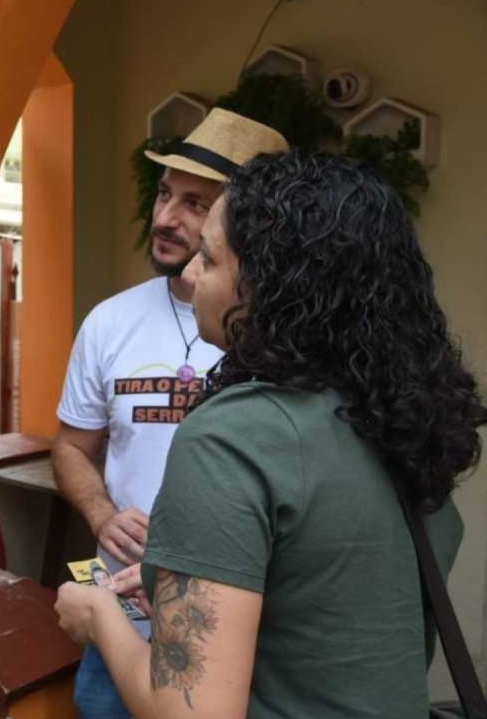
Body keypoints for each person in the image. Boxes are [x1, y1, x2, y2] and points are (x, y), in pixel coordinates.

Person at [55, 149, 485, 718]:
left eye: (208, 258)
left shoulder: (232, 437)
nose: (188, 273)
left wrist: (99, 618)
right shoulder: (397, 415)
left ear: (271, 285)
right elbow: (323, 604)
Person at [51, 108, 287, 718]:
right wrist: (102, 516)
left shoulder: (286, 342)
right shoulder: (109, 321)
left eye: (194, 203)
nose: (163, 218)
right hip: (122, 613)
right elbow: (72, 447)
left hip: (235, 629)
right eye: (163, 194)